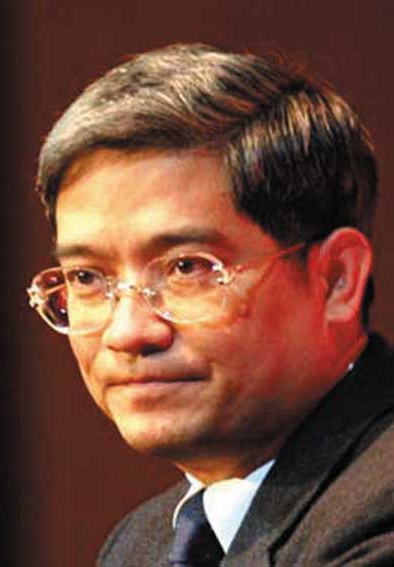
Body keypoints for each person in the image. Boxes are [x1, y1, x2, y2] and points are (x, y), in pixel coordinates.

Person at [27, 44, 394, 566]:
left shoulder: (378, 519)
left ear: (337, 279)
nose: (127, 332)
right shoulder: (139, 543)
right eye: (87, 277)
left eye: (187, 268)